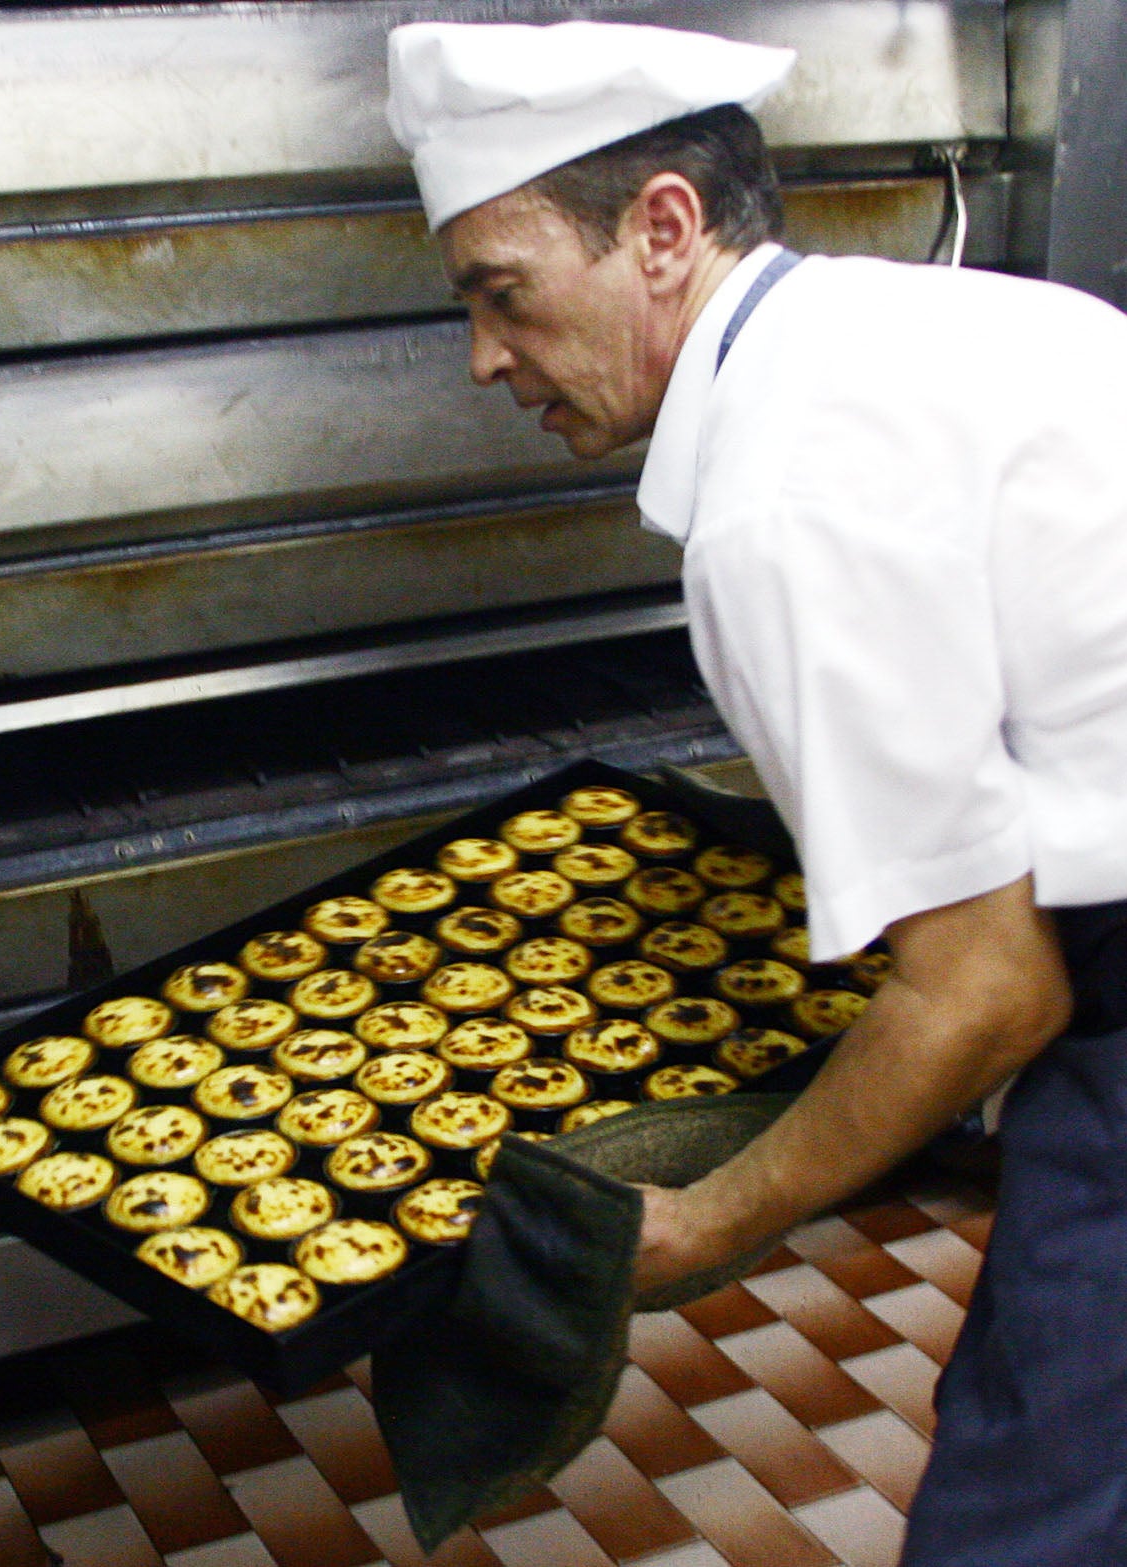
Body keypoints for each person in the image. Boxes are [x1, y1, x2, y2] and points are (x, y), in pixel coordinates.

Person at [387, 20, 1127, 1565]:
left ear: (662, 227)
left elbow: (986, 992)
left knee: (1030, 1509)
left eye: (501, 295)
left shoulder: (779, 502)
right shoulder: (917, 325)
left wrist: (705, 1223)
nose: (482, 361)